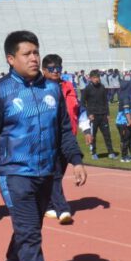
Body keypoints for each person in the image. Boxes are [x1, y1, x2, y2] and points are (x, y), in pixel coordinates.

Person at [0, 31, 86, 261]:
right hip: (15, 173)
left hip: (46, 172)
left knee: (29, 231)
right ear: (11, 59)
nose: (34, 58)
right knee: (30, 235)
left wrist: (76, 160)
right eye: (27, 54)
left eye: (36, 52)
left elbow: (64, 130)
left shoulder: (52, 89)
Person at [42, 54, 80, 224]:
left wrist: (85, 129)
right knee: (55, 174)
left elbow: (77, 108)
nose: (55, 71)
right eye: (51, 68)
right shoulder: (40, 88)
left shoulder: (68, 86)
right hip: (49, 137)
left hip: (68, 135)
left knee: (59, 172)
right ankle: (62, 208)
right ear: (44, 70)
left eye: (58, 68)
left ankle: (48, 204)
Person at [81, 70, 116, 159]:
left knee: (107, 135)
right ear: (90, 78)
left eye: (97, 77)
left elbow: (105, 101)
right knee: (93, 135)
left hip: (103, 115)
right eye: (94, 78)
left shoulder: (102, 87)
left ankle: (111, 152)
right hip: (93, 116)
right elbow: (82, 103)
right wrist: (89, 114)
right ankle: (93, 153)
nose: (96, 79)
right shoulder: (87, 89)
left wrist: (107, 113)